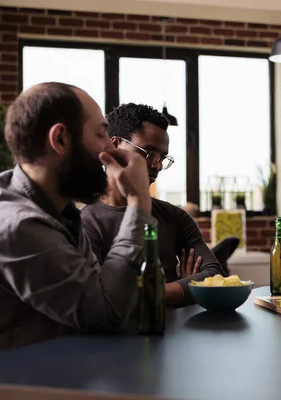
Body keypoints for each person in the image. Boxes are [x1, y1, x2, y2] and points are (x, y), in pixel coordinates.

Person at [0, 82, 152, 351]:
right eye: (101, 135)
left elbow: (101, 289)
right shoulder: (17, 226)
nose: (110, 150)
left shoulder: (61, 211)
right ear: (61, 139)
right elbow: (106, 313)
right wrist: (138, 203)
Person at [81, 103, 226, 307]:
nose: (157, 166)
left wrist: (155, 293)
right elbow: (102, 300)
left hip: (178, 335)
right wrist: (184, 287)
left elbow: (215, 275)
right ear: (114, 146)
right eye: (148, 153)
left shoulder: (175, 216)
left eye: (162, 158)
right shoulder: (85, 223)